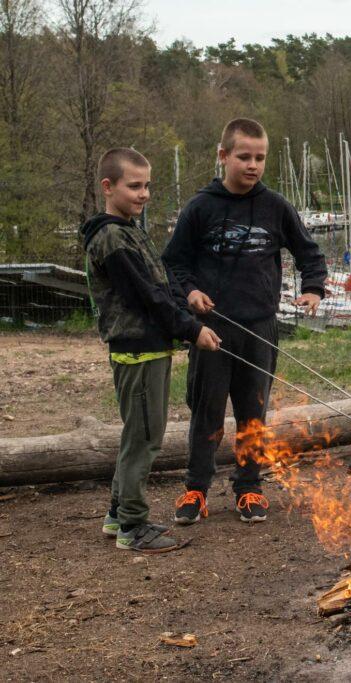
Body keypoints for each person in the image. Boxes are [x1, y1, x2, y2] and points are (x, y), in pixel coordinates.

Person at [163, 118, 327, 524]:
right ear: (223, 156)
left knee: (253, 413)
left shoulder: (275, 206)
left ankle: (249, 488)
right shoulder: (200, 207)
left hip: (260, 326)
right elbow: (174, 263)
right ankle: (196, 490)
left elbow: (310, 253)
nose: (253, 165)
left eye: (260, 158)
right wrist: (189, 294)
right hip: (211, 328)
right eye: (244, 157)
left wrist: (314, 288)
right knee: (207, 412)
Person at [80, 147, 221, 552]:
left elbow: (159, 287)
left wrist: (188, 301)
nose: (144, 194)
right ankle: (133, 527)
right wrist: (191, 330)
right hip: (138, 351)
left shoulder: (126, 229)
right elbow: (146, 298)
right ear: (109, 187)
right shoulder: (111, 238)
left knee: (139, 434)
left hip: (150, 349)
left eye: (148, 186)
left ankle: (117, 514)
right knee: (143, 439)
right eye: (134, 186)